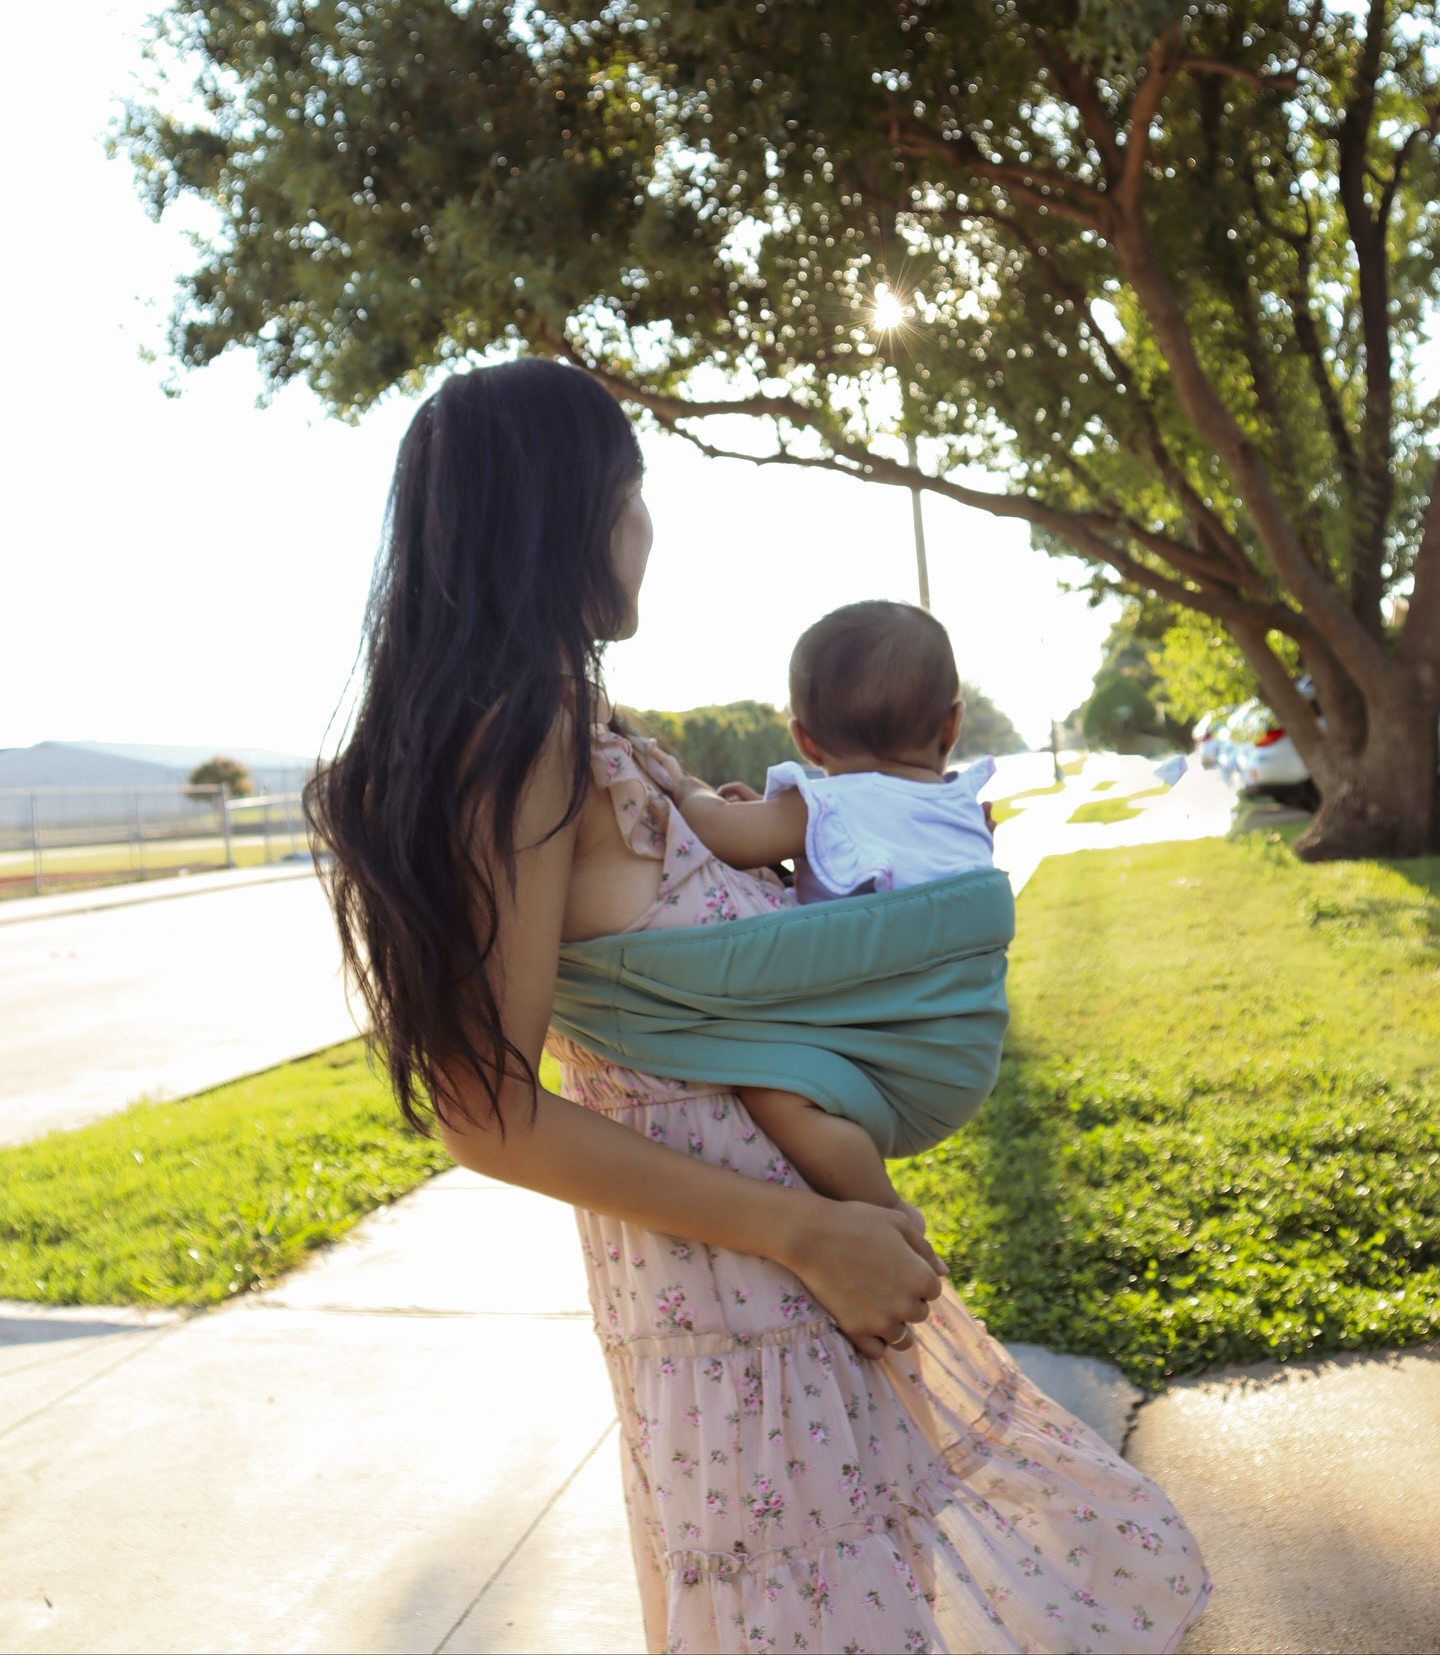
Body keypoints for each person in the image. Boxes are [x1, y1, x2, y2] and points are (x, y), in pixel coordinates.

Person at [308, 359, 1209, 1654]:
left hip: (773, 1283)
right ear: (577, 514)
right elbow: (483, 1112)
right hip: (738, 1290)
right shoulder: (518, 741)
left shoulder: (582, 730)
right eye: (634, 494)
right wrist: (808, 1233)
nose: (646, 528)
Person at [659, 599, 997, 1212]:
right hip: (960, 1056)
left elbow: (717, 837)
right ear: (951, 725)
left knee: (774, 1094)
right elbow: (889, 896)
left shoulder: (827, 806)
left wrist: (692, 788)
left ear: (806, 741)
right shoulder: (965, 807)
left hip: (880, 1054)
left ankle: (882, 1214)